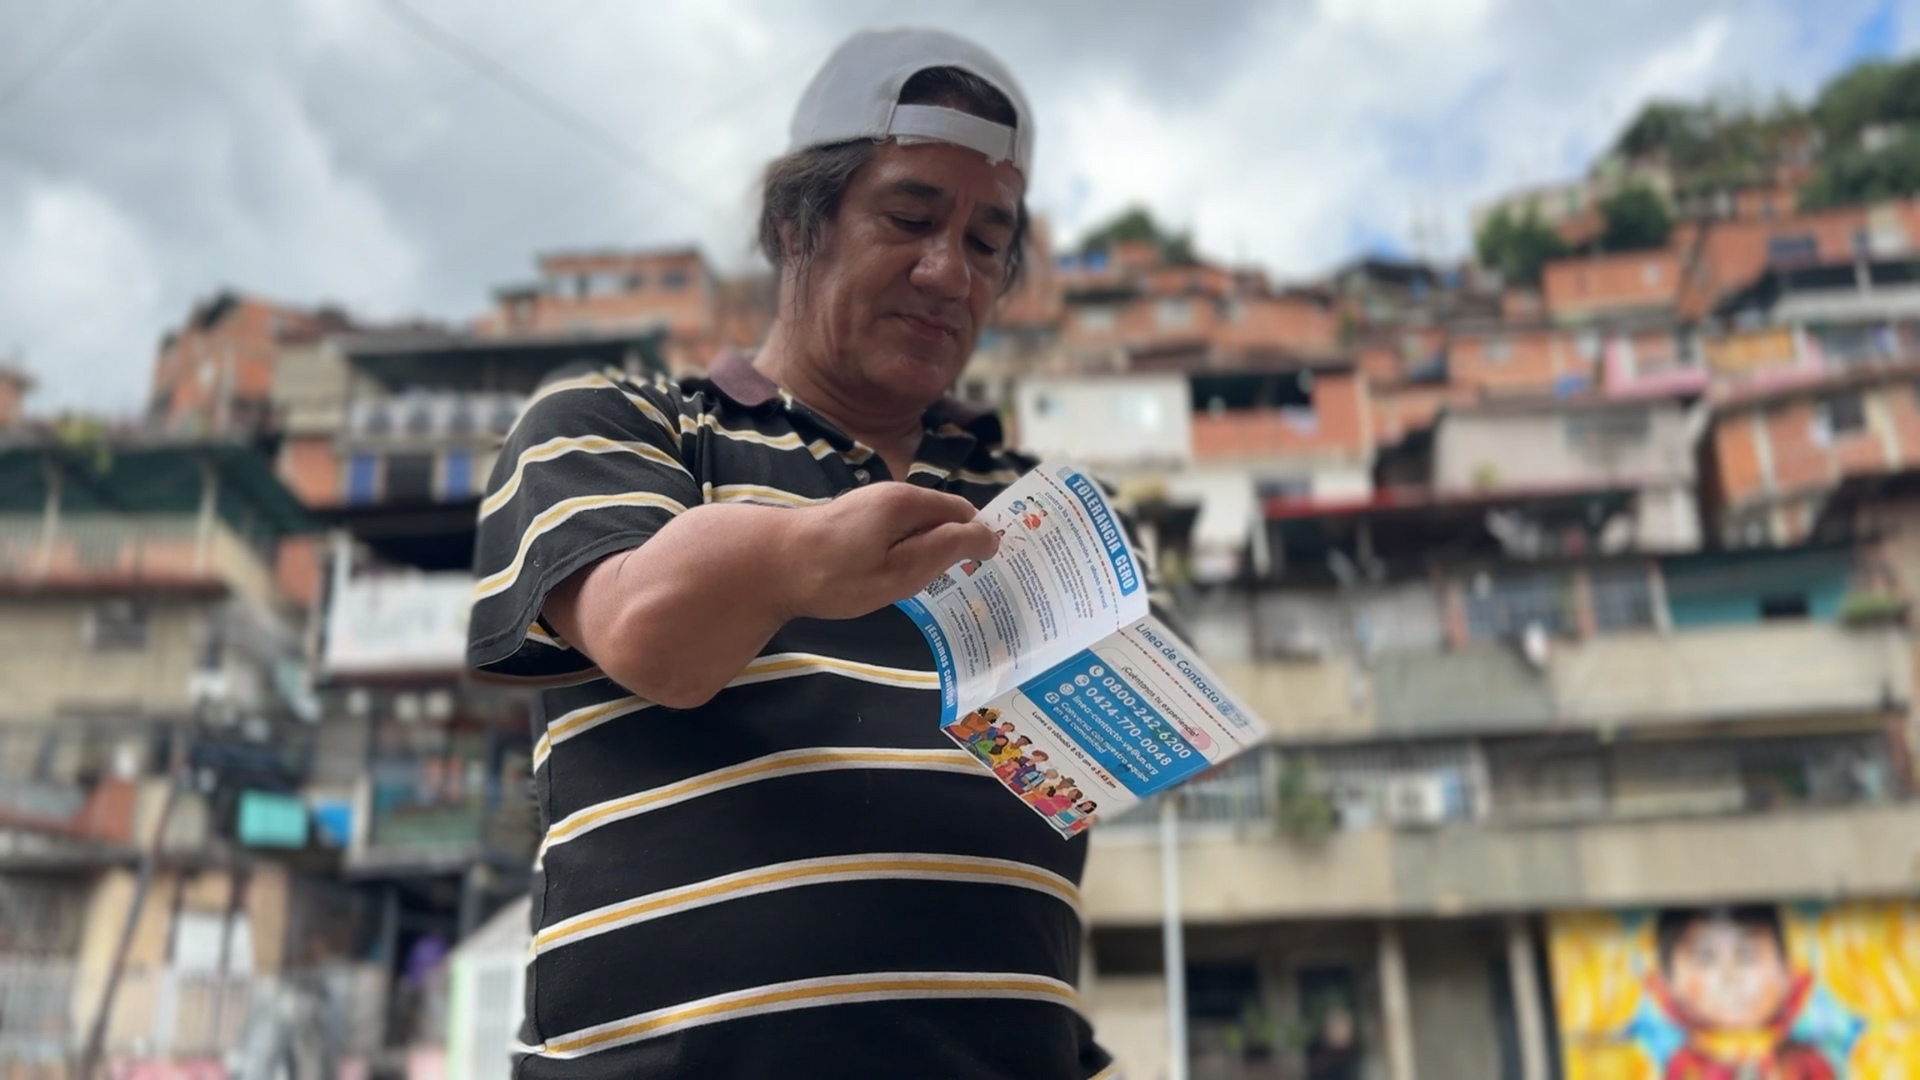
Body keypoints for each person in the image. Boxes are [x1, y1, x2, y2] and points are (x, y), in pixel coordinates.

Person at [466, 28, 1117, 1079]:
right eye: (908, 217)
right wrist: (801, 558)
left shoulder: (1035, 508)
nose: (948, 270)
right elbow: (647, 633)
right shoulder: (622, 422)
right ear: (793, 224)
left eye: (988, 242)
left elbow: (1091, 774)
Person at [1647, 907, 1834, 1080]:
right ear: (1667, 981)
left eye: (1746, 955)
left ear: (1786, 970)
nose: (1730, 976)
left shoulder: (1804, 1061)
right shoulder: (1685, 1066)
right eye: (1705, 958)